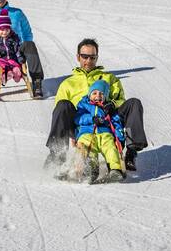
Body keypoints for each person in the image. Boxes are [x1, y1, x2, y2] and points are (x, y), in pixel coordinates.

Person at [46, 38, 148, 171]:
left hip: (106, 119)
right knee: (62, 104)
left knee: (134, 103)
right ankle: (57, 154)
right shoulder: (68, 83)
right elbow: (59, 112)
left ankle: (131, 153)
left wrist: (112, 104)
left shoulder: (109, 78)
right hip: (81, 122)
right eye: (85, 56)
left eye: (92, 57)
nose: (88, 61)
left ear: (97, 58)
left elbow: (121, 100)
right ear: (78, 57)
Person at [74, 79, 126, 183]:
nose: (98, 96)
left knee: (111, 149)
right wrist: (92, 119)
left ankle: (115, 169)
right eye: (94, 93)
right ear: (89, 94)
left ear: (106, 96)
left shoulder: (108, 108)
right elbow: (78, 118)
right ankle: (91, 170)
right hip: (87, 133)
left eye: (101, 94)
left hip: (105, 133)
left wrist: (119, 138)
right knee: (88, 148)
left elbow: (116, 122)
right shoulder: (84, 104)